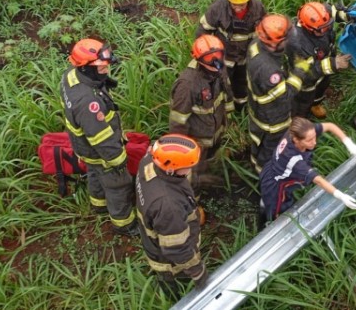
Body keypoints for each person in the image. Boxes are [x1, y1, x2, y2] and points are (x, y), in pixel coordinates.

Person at [60, 38, 138, 236]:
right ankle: (124, 224)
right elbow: (101, 138)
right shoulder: (89, 104)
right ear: (86, 68)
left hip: (84, 148)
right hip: (99, 150)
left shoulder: (71, 76)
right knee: (118, 185)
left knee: (94, 173)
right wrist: (118, 161)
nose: (107, 69)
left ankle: (99, 204)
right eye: (102, 67)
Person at [135, 134, 208, 300]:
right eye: (187, 166)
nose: (190, 169)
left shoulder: (149, 161)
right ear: (170, 168)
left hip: (154, 236)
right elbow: (177, 248)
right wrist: (197, 272)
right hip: (169, 261)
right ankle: (175, 298)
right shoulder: (168, 206)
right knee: (177, 282)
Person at [259, 116, 356, 222]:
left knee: (285, 198)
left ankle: (266, 201)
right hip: (276, 185)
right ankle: (266, 218)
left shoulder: (301, 131)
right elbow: (318, 180)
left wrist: (349, 143)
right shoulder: (293, 160)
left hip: (274, 168)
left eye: (314, 137)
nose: (314, 142)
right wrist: (341, 195)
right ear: (296, 139)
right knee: (276, 211)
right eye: (309, 140)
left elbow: (329, 126)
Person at [246, 13, 312, 173]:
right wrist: (300, 72)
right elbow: (285, 95)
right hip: (272, 120)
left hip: (258, 110)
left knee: (258, 143)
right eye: (285, 39)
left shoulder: (256, 44)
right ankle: (265, 175)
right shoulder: (268, 71)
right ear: (275, 43)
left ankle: (255, 163)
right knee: (270, 149)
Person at [169, 34, 234, 189]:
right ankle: (195, 196)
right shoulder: (188, 85)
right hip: (197, 142)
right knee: (193, 175)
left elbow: (227, 96)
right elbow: (178, 122)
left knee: (210, 162)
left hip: (216, 133)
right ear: (199, 60)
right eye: (210, 59)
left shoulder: (219, 70)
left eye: (219, 55)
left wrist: (229, 122)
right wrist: (183, 150)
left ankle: (209, 179)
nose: (216, 62)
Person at [196, 0, 266, 110]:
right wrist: (204, 54)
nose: (238, 8)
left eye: (242, 4)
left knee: (242, 82)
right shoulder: (218, 8)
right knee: (222, 83)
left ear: (248, 0)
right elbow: (203, 29)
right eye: (234, 4)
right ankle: (224, 111)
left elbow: (264, 28)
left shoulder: (257, 7)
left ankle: (241, 107)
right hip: (224, 56)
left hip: (246, 55)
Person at [287, 1, 351, 119]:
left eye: (328, 25)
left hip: (325, 68)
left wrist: (349, 15)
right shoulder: (296, 44)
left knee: (322, 86)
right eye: (321, 29)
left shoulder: (322, 17)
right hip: (306, 82)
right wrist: (334, 63)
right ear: (308, 28)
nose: (326, 30)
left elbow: (335, 10)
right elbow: (305, 72)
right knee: (303, 99)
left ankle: (315, 104)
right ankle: (300, 118)